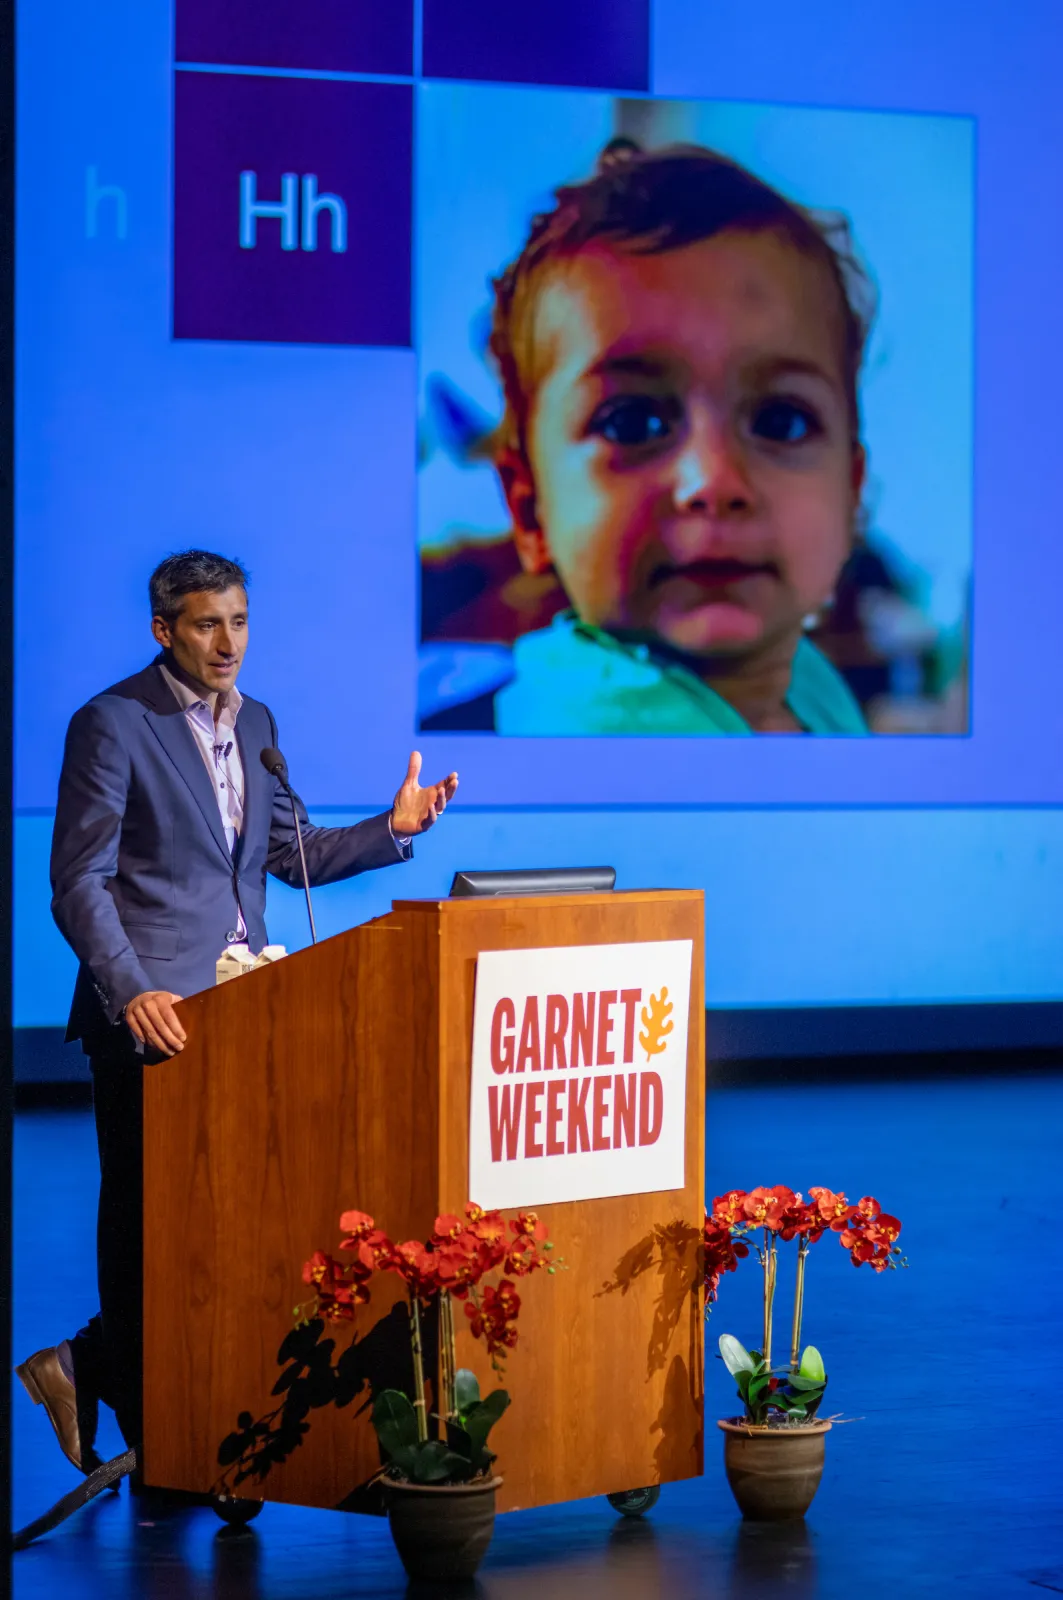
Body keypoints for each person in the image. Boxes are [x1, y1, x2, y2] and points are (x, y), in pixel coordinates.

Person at [15, 550, 458, 1474]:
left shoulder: (255, 722)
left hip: (245, 1015)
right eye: (208, 624)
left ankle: (91, 1366)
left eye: (241, 621)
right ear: (164, 629)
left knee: (223, 1231)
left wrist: (395, 831)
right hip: (152, 1020)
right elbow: (78, 880)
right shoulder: (113, 722)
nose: (229, 643)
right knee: (147, 1228)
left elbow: (289, 854)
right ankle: (152, 1423)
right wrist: (130, 986)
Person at [483, 140, 875, 734]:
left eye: (781, 421)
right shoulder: (597, 732)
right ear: (532, 509)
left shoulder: (807, 679)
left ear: (850, 496)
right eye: (633, 423)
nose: (713, 481)